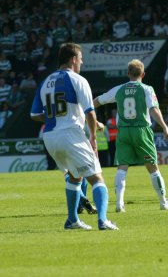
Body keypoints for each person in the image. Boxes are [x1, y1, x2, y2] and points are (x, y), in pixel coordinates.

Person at [30, 43, 118, 230]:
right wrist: (93, 137)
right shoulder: (78, 80)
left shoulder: (45, 82)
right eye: (80, 58)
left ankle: (72, 220)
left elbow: (35, 115)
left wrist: (57, 116)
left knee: (74, 176)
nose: (82, 62)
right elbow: (90, 112)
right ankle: (103, 220)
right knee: (96, 178)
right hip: (70, 134)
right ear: (73, 59)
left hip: (50, 136)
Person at [93, 59, 168, 213]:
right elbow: (153, 109)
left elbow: (98, 101)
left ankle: (119, 204)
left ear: (128, 73)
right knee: (152, 167)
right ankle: (163, 202)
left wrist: (90, 115)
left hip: (123, 131)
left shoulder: (119, 89)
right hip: (141, 130)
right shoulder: (146, 89)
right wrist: (165, 127)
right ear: (143, 74)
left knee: (122, 167)